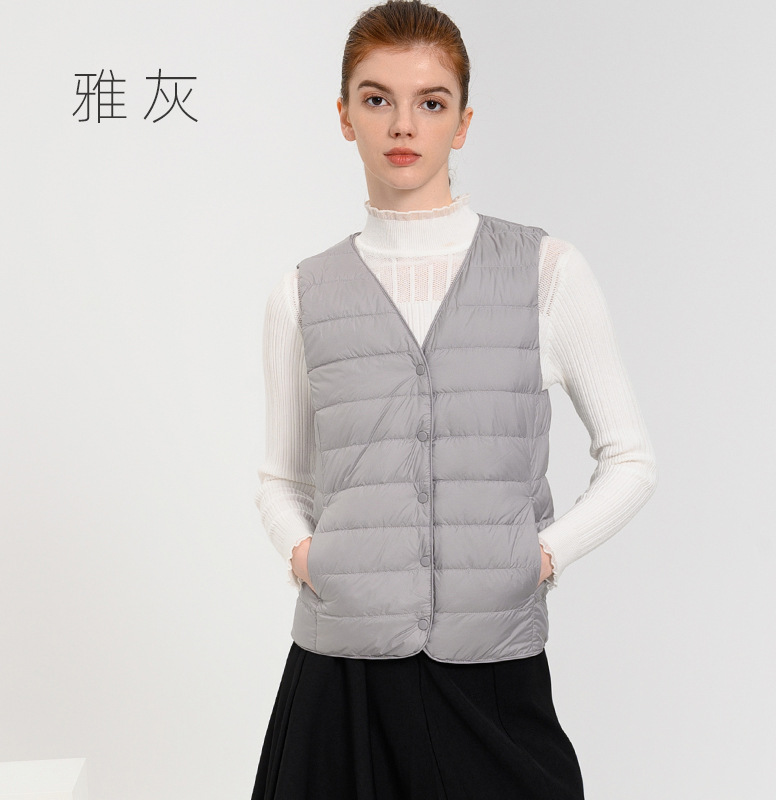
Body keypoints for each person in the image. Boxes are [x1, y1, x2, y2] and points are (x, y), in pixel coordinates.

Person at [251, 1, 657, 797]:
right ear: (345, 117)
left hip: (492, 674)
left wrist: (541, 556)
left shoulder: (545, 274)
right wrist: (306, 553)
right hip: (339, 675)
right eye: (377, 98)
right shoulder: (300, 295)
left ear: (463, 123)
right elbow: (280, 478)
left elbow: (631, 459)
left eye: (431, 102)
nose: (403, 124)